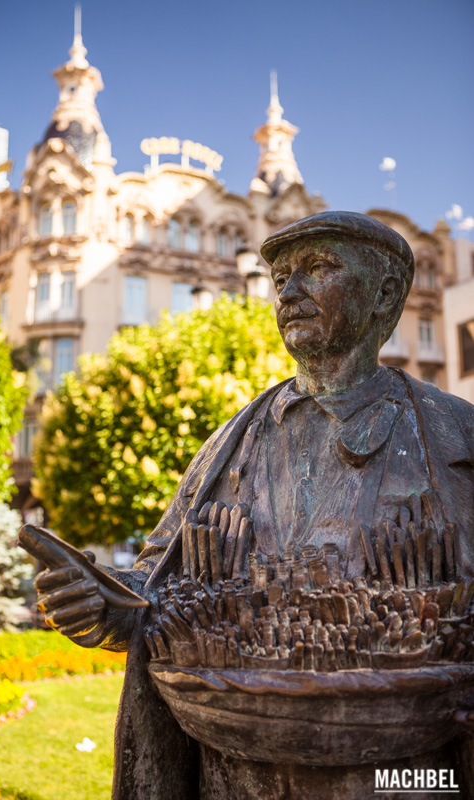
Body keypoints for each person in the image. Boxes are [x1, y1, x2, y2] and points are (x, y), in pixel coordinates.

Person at [35, 211, 474, 800]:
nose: (289, 291)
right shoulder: (227, 445)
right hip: (235, 772)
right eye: (281, 277)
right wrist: (104, 601)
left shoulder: (456, 434)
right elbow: (158, 584)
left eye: (317, 269)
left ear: (385, 294)